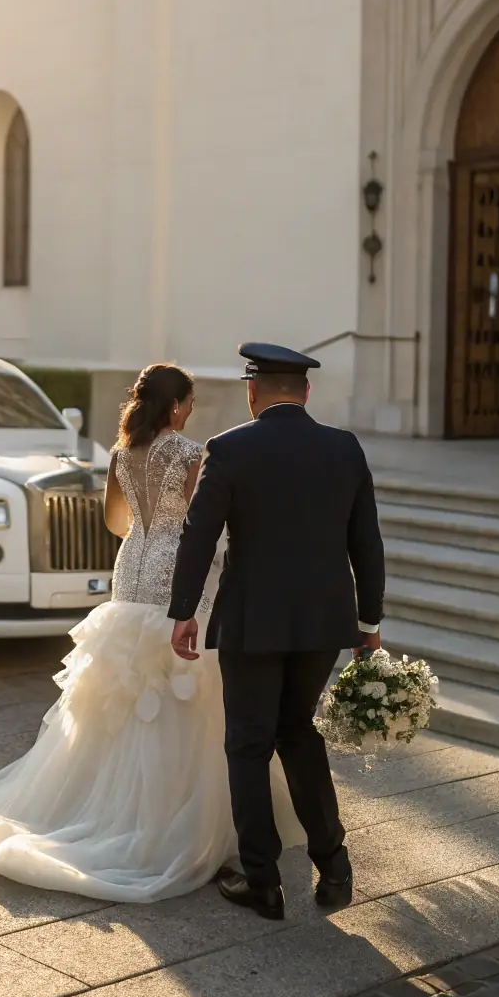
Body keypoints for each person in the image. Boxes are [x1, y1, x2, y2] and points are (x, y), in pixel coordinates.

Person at [0, 362, 303, 901]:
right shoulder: (194, 454)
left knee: (126, 680)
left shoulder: (123, 453)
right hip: (179, 566)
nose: (192, 410)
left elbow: (114, 522)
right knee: (185, 681)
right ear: (176, 407)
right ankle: (175, 820)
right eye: (190, 402)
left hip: (132, 566)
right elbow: (207, 522)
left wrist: (149, 529)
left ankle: (102, 802)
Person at [169, 342, 385, 921]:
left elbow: (200, 534)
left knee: (247, 742)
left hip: (252, 620)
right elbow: (366, 539)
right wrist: (370, 622)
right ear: (307, 393)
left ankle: (262, 880)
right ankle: (334, 862)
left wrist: (183, 609)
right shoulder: (344, 447)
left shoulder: (230, 448)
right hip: (322, 621)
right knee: (297, 732)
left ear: (252, 391)